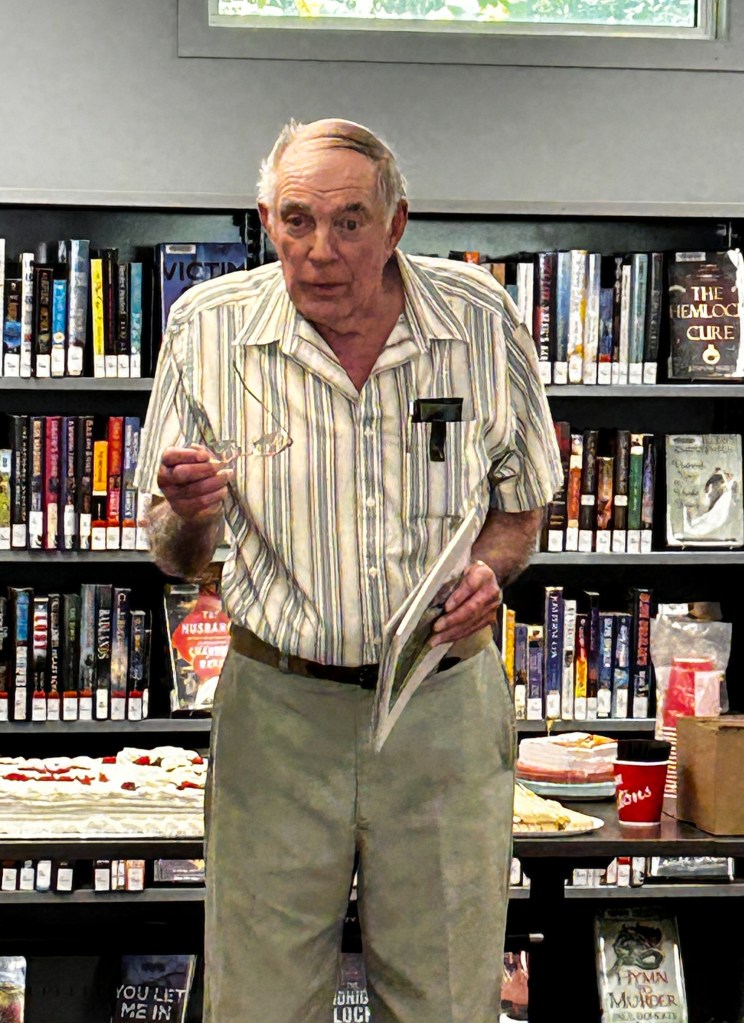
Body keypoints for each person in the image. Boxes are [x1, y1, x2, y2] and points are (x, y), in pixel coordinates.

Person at [134, 117, 562, 1023]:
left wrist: (489, 573)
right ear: (266, 221)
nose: (320, 250)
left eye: (349, 222)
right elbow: (173, 553)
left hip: (442, 706)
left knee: (447, 996)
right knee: (258, 1000)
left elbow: (521, 506)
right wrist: (192, 514)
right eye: (296, 220)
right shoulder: (207, 328)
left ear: (396, 223)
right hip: (278, 713)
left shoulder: (481, 322)